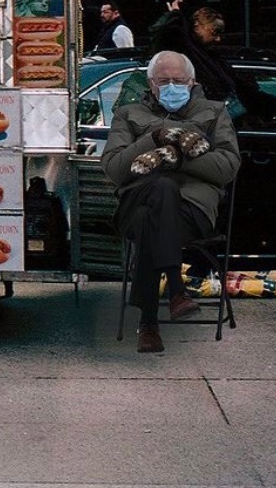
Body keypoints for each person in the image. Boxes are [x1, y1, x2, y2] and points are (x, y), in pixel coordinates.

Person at [102, 50, 240, 354]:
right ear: (151, 85)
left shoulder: (214, 112)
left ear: (192, 82)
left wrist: (175, 159)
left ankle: (149, 324)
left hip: (192, 210)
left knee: (152, 209)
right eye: (164, 81)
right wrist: (154, 138)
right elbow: (113, 169)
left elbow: (227, 168)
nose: (172, 86)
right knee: (158, 194)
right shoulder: (128, 114)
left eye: (179, 80)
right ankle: (176, 289)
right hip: (135, 201)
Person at [147, 0, 276, 124]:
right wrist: (174, 16)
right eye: (215, 32)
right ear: (198, 27)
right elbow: (166, 35)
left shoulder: (211, 57)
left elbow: (244, 91)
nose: (218, 39)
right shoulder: (186, 52)